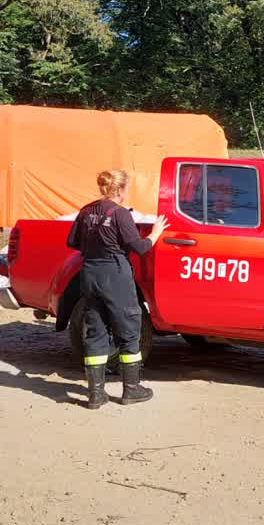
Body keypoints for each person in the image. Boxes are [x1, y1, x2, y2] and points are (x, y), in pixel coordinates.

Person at [67, 169, 168, 409]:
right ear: (121, 190)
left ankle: (95, 394)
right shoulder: (121, 215)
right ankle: (131, 389)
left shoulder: (87, 211)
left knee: (95, 330)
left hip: (90, 274)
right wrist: (155, 233)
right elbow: (140, 247)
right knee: (129, 329)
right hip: (115, 275)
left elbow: (72, 242)